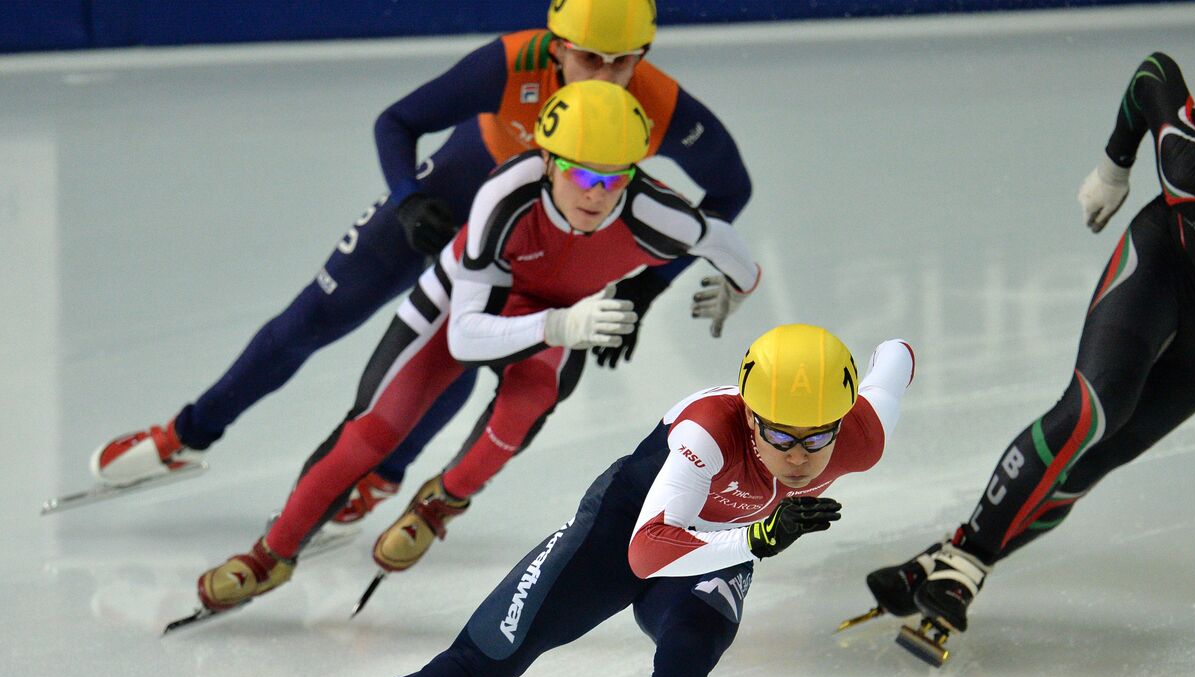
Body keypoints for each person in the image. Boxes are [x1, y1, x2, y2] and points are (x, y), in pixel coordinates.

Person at [206, 324, 915, 677]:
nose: (798, 457)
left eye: (817, 435)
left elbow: (896, 362)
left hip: (709, 552)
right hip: (618, 540)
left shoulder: (860, 436)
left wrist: (890, 350)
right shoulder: (706, 431)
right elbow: (647, 549)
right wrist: (754, 536)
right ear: (750, 417)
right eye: (779, 436)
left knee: (686, 660)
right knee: (472, 670)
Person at [90, 0, 753, 526]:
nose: (604, 76)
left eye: (622, 63)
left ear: (644, 55)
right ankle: (186, 434)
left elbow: (728, 196)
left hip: (525, 247)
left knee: (454, 357)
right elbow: (397, 122)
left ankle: (383, 477)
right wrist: (408, 201)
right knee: (312, 319)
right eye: (589, 58)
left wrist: (644, 290)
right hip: (442, 209)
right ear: (558, 46)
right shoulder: (512, 62)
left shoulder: (661, 104)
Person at [194, 80, 761, 612]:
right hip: (462, 304)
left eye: (615, 179)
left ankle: (444, 500)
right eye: (581, 176)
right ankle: (271, 554)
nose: (598, 194)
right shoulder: (505, 194)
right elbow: (465, 338)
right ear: (545, 162)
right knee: (370, 432)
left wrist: (734, 290)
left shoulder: (654, 212)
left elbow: (729, 246)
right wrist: (560, 326)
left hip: (556, 313)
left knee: (523, 410)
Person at [865, 51, 1195, 665]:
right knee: (1096, 410)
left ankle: (955, 559)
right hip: (1163, 267)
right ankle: (964, 563)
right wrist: (1113, 168)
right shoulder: (1187, 165)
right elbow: (1153, 72)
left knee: (1098, 459)